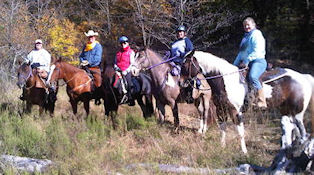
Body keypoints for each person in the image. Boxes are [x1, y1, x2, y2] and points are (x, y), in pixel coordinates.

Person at [233, 17, 267, 108]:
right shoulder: (246, 37)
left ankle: (262, 100)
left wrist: (247, 61)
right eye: (245, 25)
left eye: (248, 25)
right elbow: (241, 53)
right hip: (246, 62)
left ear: (253, 25)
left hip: (258, 61)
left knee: (252, 76)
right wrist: (233, 65)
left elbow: (257, 51)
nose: (246, 27)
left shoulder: (256, 34)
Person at [114, 36, 135, 106]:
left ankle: (130, 98)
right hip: (118, 71)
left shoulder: (131, 52)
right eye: (122, 43)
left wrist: (126, 70)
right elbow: (115, 62)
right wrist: (116, 67)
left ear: (127, 43)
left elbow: (132, 63)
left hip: (127, 70)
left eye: (125, 43)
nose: (123, 44)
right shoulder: (118, 53)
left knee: (129, 83)